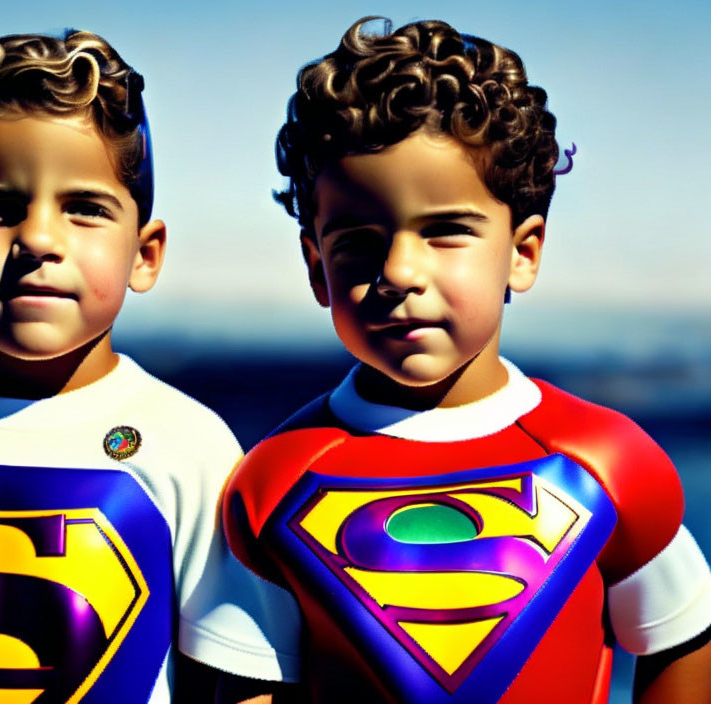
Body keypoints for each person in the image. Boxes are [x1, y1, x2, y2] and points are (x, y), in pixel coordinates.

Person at [224, 17, 711, 704]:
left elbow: (681, 638)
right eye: (359, 240)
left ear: (523, 251)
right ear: (315, 267)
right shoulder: (270, 484)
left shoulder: (609, 464)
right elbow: (249, 682)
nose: (397, 270)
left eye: (445, 231)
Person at [0, 30, 298, 703]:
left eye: (84, 209)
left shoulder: (192, 449)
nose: (39, 239)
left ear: (145, 254)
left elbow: (240, 682)